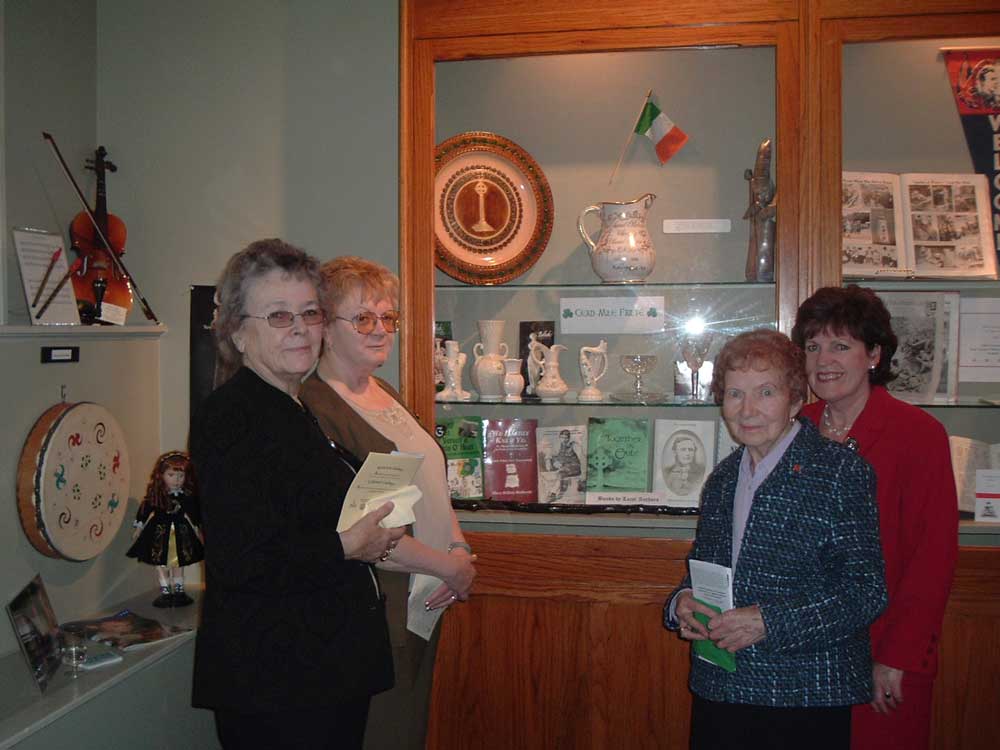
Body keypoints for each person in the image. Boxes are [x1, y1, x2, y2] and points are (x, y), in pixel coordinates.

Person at [189, 239, 405, 750]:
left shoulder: (290, 406)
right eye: (280, 316)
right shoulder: (232, 417)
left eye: (310, 313)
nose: (301, 329)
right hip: (279, 686)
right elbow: (239, 560)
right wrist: (349, 546)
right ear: (238, 333)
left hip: (319, 674)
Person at [663, 328, 887, 750]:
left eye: (766, 392)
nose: (747, 409)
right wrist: (681, 603)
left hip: (804, 695)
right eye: (734, 394)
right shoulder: (723, 478)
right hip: (723, 685)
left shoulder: (840, 472)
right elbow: (704, 568)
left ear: (796, 400)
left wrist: (770, 622)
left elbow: (864, 593)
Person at [298, 256, 476, 750]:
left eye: (387, 318)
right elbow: (362, 531)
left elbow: (433, 485)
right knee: (383, 734)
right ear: (327, 330)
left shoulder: (387, 393)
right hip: (378, 613)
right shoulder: (317, 409)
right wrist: (449, 568)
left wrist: (460, 552)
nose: (380, 330)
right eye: (363, 318)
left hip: (427, 599)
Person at [792, 285, 958, 750]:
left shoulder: (918, 434)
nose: (824, 359)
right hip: (804, 653)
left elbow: (933, 559)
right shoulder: (795, 429)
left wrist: (898, 656)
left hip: (883, 653)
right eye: (813, 346)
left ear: (874, 355)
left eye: (840, 345)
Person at [126, 450, 203, 607]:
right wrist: (139, 526)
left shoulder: (186, 495)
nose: (176, 480)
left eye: (181, 476)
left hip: (181, 532)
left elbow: (194, 513)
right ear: (161, 475)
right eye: (171, 475)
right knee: (160, 562)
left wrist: (198, 527)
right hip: (159, 532)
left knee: (179, 562)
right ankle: (166, 591)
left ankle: (179, 590)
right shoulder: (156, 495)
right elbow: (145, 509)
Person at [662, 432, 706, 497]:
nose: (687, 453)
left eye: (690, 450)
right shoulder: (667, 471)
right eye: (683, 449)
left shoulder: (700, 471)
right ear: (675, 452)